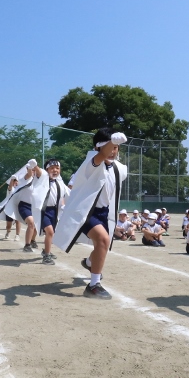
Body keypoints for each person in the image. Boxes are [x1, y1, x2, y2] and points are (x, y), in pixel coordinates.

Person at [52, 127, 129, 299]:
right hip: (86, 212)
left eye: (116, 148)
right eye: (110, 147)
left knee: (102, 246)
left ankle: (89, 262)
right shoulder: (91, 163)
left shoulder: (119, 169)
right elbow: (100, 157)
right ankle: (93, 285)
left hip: (104, 213)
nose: (113, 151)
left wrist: (113, 145)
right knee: (103, 240)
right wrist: (112, 143)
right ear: (97, 147)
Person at [35, 158, 71, 266]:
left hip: (54, 211)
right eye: (52, 168)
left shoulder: (59, 182)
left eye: (57, 168)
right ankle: (46, 256)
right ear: (46, 170)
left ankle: (47, 251)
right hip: (43, 210)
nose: (55, 170)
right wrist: (35, 166)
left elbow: (64, 195)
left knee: (52, 234)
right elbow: (39, 172)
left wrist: (64, 206)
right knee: (50, 232)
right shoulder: (42, 179)